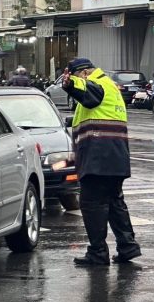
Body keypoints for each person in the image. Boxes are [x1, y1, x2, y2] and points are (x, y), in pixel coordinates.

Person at [61, 57, 142, 266]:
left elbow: (87, 92)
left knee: (91, 204)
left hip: (98, 159)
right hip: (115, 157)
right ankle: (128, 246)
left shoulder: (96, 84)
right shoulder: (111, 87)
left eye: (77, 75)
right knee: (115, 202)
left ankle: (97, 252)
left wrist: (70, 83)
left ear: (84, 73)